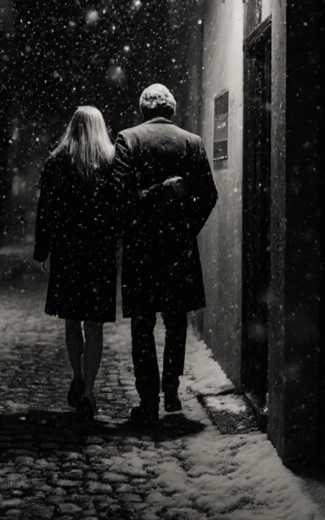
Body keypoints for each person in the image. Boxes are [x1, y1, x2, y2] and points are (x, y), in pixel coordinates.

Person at [112, 83, 218, 426]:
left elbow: (121, 198)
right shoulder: (193, 142)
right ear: (171, 110)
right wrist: (186, 227)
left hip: (143, 248)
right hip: (178, 248)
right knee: (176, 323)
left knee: (142, 327)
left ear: (144, 110)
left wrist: (150, 198)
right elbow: (209, 195)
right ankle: (171, 390)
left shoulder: (128, 139)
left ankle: (148, 400)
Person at [33, 106, 121, 421]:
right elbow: (119, 209)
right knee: (94, 325)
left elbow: (46, 210)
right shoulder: (112, 163)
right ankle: (88, 391)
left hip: (68, 251)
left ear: (73, 127)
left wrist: (42, 250)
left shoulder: (56, 163)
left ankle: (78, 375)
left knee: (72, 321)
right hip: (99, 253)